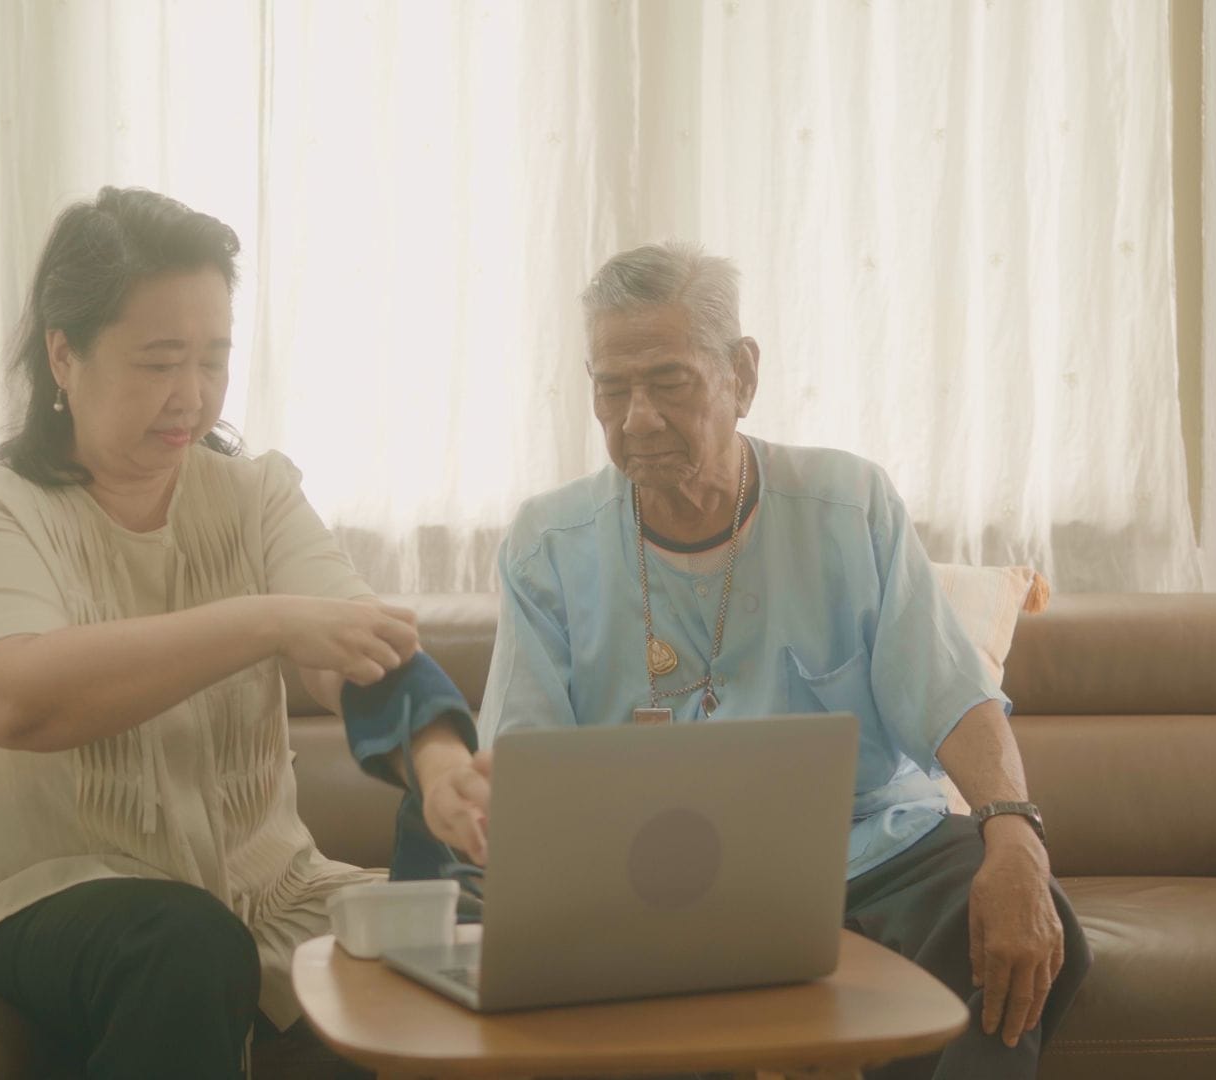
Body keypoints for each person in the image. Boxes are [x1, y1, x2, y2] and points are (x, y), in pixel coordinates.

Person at [400, 242, 1093, 1080]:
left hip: (865, 854)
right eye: (611, 390)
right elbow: (524, 757)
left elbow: (953, 698)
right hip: (645, 876)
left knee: (1014, 921)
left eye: (668, 381)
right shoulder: (548, 545)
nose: (636, 419)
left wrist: (1014, 836)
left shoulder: (849, 505)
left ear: (743, 375)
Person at [0, 186, 443, 1078]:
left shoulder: (258, 492)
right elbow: (15, 699)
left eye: (213, 360)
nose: (192, 397)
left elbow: (356, 645)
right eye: (160, 362)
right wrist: (265, 620)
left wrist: (441, 761)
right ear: (63, 355)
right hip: (44, 894)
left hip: (269, 893)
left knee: (478, 935)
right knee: (182, 941)